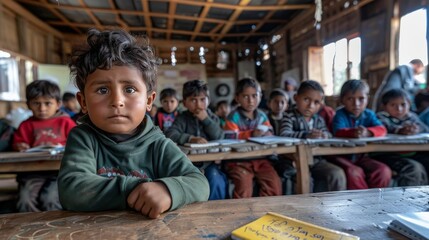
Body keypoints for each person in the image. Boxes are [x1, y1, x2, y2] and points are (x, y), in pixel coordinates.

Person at [58, 29, 209, 219]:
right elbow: (72, 190)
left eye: (129, 89)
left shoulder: (158, 144)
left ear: (148, 100)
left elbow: (199, 183)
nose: (117, 101)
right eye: (103, 90)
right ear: (83, 102)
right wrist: (138, 188)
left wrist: (167, 190)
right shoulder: (83, 138)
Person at [13, 80, 77, 212]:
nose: (42, 109)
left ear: (58, 104)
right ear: (28, 105)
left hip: (59, 172)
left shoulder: (66, 123)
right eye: (36, 103)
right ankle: (30, 230)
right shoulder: (26, 125)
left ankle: (54, 229)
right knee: (25, 199)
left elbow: (78, 143)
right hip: (32, 172)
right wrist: (20, 146)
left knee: (51, 199)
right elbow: (18, 143)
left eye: (48, 103)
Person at [279, 80, 346, 192]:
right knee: (306, 180)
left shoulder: (318, 119)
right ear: (296, 98)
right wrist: (306, 135)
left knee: (337, 174)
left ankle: (337, 208)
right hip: (294, 161)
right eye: (306, 100)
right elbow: (284, 134)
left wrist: (323, 136)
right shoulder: (289, 116)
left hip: (316, 160)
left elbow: (328, 135)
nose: (311, 106)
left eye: (316, 103)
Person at [165, 80, 227, 200]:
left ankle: (216, 211)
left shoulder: (212, 117)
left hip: (209, 164)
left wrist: (206, 120)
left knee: (215, 178)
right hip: (188, 164)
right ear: (185, 102)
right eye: (193, 100)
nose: (198, 104)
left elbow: (220, 137)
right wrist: (190, 138)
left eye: (202, 100)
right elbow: (170, 133)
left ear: (208, 100)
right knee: (186, 185)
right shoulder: (182, 118)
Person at [223, 77, 282, 198]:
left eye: (255, 96)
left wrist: (267, 134)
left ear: (260, 96)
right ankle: (241, 215)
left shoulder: (262, 115)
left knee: (274, 184)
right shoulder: (233, 116)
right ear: (237, 98)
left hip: (261, 159)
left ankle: (265, 212)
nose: (251, 101)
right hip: (238, 160)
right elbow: (229, 136)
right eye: (245, 96)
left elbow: (269, 131)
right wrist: (251, 134)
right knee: (244, 188)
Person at [331, 79, 391, 189]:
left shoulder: (369, 114)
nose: (356, 104)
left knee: (383, 171)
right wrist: (353, 133)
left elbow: (382, 129)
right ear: (342, 100)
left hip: (362, 157)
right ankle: (363, 204)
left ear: (367, 99)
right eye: (350, 99)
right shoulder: (340, 114)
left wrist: (368, 132)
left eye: (361, 99)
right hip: (341, 156)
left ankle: (377, 202)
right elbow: (338, 131)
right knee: (354, 172)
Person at [373, 89, 428, 186]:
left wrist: (416, 129)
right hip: (386, 154)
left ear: (409, 104)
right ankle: (407, 199)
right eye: (393, 105)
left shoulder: (412, 117)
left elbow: (425, 129)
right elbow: (383, 128)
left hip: (410, 154)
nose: (399, 109)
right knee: (414, 168)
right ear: (384, 106)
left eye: (403, 105)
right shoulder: (381, 117)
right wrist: (399, 130)